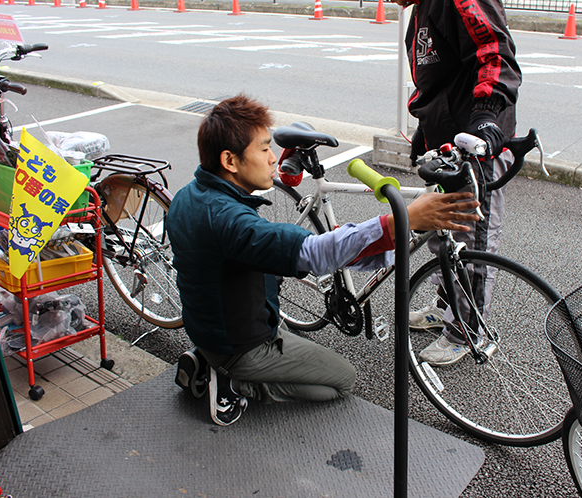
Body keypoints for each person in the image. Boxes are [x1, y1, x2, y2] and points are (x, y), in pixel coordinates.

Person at [167, 94, 481, 426]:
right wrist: (402, 220)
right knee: (342, 380)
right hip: (241, 344)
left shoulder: (191, 194)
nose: (273, 159)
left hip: (210, 328)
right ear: (230, 161)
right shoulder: (229, 222)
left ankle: (209, 359)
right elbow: (315, 253)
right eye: (263, 150)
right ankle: (235, 382)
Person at [391, 0, 523, 366]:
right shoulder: (420, 10)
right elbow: (435, 82)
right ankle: (445, 306)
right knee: (442, 234)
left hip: (475, 146)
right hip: (445, 147)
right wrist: (425, 131)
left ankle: (465, 331)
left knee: (470, 242)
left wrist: (487, 115)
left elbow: (494, 52)